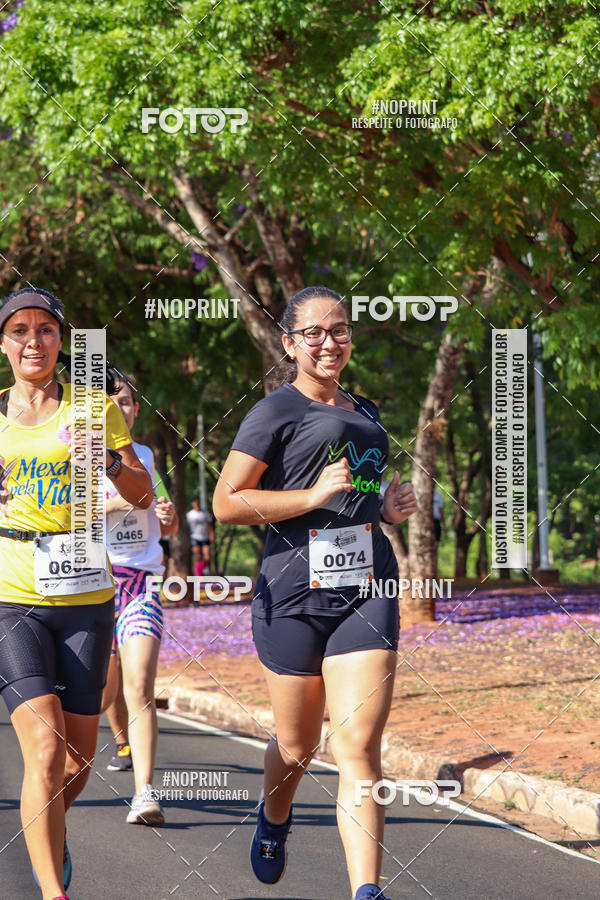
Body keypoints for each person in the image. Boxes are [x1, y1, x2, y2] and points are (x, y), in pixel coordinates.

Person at [213, 285, 418, 900]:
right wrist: (309, 497)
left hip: (366, 588)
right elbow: (227, 503)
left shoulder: (368, 412)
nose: (330, 342)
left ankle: (366, 890)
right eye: (315, 333)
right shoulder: (274, 411)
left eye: (340, 330)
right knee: (298, 745)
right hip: (293, 595)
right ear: (289, 343)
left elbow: (359, 496)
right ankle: (274, 817)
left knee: (358, 745)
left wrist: (387, 508)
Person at [0, 288, 153, 900]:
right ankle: (52, 893)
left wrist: (109, 464)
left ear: (61, 341)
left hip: (86, 595)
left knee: (76, 761)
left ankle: (50, 828)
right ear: (3, 343)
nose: (32, 341)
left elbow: (142, 494)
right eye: (19, 330)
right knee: (42, 748)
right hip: (12, 596)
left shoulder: (92, 408)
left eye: (45, 329)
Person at [100, 372, 178, 824]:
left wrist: (165, 515)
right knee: (100, 695)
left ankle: (145, 793)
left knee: (140, 686)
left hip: (141, 582)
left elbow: (166, 523)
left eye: (127, 402)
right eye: (112, 403)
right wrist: (126, 501)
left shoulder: (145, 456)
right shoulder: (75, 458)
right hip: (91, 582)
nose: (121, 409)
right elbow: (66, 515)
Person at [186, 497, 214, 576]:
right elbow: (187, 527)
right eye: (195, 503)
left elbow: (210, 525)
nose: (197, 504)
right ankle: (198, 576)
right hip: (194, 537)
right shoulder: (189, 515)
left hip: (205, 537)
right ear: (192, 504)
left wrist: (211, 535)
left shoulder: (205, 513)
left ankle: (199, 569)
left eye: (198, 502)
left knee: (207, 557)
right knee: (198, 557)